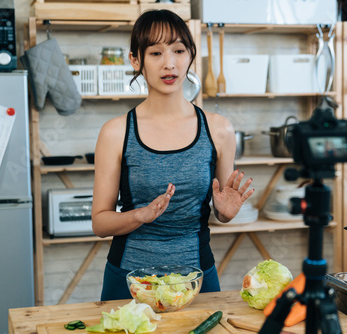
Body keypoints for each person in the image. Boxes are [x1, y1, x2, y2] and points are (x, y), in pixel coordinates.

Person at [91, 9, 255, 301]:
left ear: (191, 55)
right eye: (155, 53)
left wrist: (226, 214)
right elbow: (100, 223)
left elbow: (220, 210)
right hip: (128, 282)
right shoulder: (116, 132)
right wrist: (141, 215)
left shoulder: (218, 129)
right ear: (135, 59)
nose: (169, 64)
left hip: (197, 280)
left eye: (179, 50)